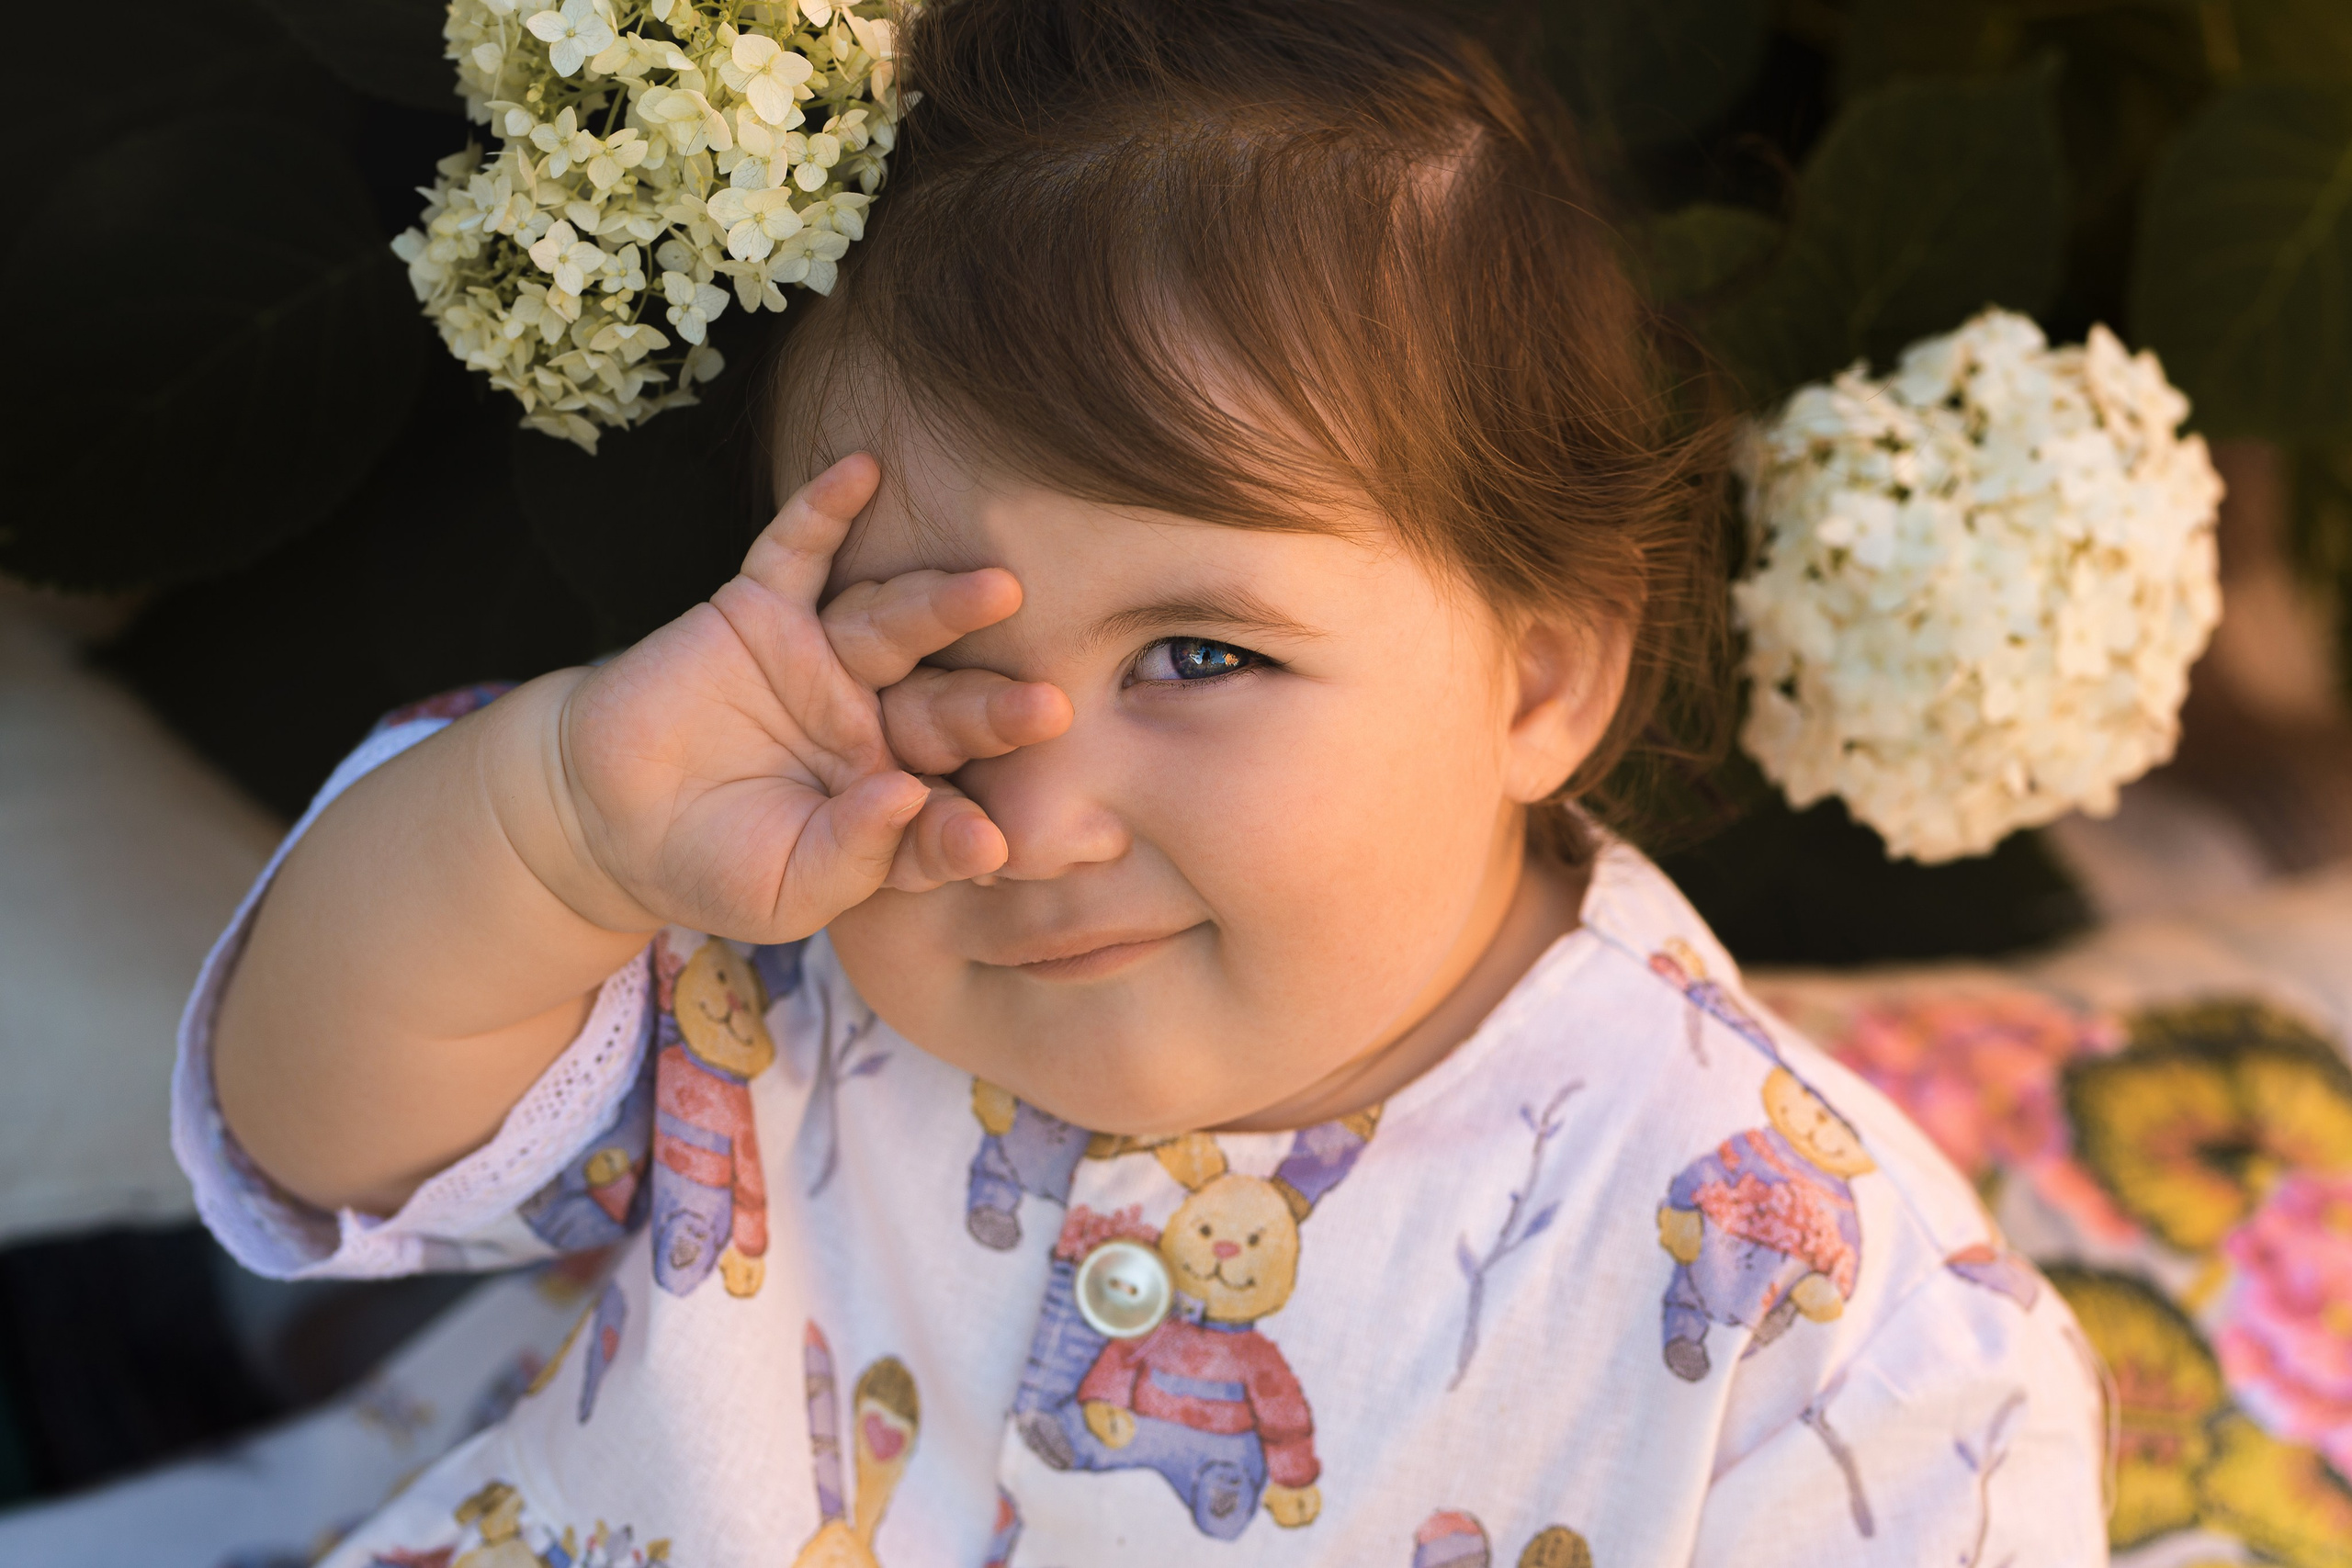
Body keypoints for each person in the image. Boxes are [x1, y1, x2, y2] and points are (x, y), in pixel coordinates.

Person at [176, 2, 2106, 1562]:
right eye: (933, 653)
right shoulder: (789, 939)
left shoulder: (1797, 1309)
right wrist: (561, 828)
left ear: (1536, 676)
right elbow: (316, 1120)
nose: (1029, 810)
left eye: (1197, 655)